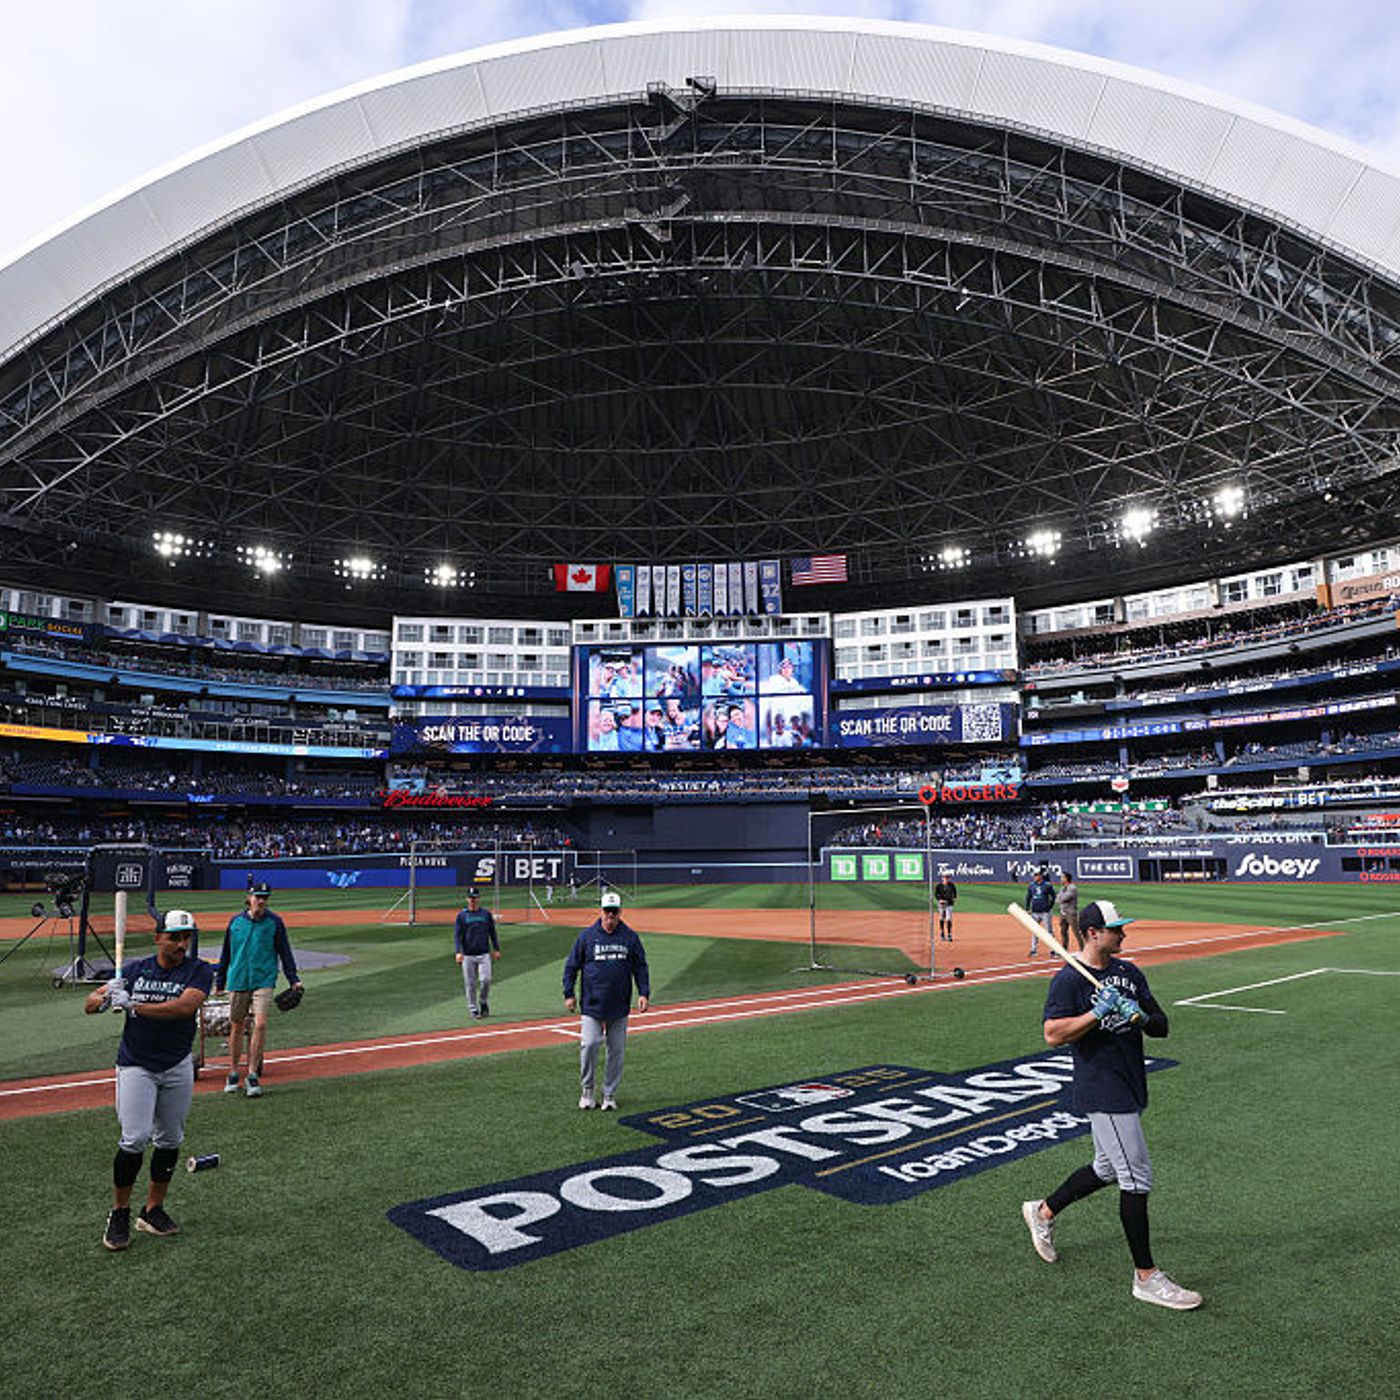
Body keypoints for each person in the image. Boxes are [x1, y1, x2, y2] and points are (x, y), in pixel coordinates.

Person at [1020, 900, 1201, 1311]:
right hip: (1102, 1088)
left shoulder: (1128, 973)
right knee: (1136, 1177)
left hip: (1131, 1082)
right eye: (1115, 929)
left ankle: (1043, 1212)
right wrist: (1095, 1015)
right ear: (1092, 933)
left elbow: (1163, 1026)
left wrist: (1138, 1018)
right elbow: (1053, 1034)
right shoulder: (1069, 981)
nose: (1123, 934)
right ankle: (1147, 1278)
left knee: (1106, 1167)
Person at [86, 908, 212, 1250]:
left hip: (177, 1064)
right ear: (158, 938)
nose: (181, 944)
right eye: (174, 937)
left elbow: (185, 1008)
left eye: (186, 937)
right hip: (136, 1065)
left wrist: (134, 1006)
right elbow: (89, 1003)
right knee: (135, 1139)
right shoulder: (136, 970)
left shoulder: (199, 971)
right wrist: (105, 997)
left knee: (170, 1139)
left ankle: (153, 1209)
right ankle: (120, 1213)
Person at [563, 891, 649, 1111]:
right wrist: (569, 993)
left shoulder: (630, 937)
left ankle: (609, 1094)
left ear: (620, 912)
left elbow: (640, 966)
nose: (610, 916)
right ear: (600, 911)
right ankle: (588, 1090)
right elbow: (572, 966)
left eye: (614, 912)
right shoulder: (586, 937)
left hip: (619, 1006)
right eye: (607, 912)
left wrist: (643, 992)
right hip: (592, 1004)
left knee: (616, 1051)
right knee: (590, 1045)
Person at [216, 882, 301, 1098]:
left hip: (263, 979)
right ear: (249, 898)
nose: (261, 901)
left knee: (260, 1024)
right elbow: (226, 953)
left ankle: (252, 1074)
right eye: (258, 896)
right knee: (236, 1026)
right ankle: (234, 1072)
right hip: (237, 979)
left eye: (265, 897)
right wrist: (220, 982)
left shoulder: (274, 923)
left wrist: (294, 979)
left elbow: (285, 952)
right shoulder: (235, 922)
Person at [454, 885, 501, 1018]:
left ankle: (483, 1001)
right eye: (470, 898)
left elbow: (492, 932)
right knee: (470, 983)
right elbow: (458, 935)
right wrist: (458, 951)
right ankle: (473, 1009)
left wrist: (496, 949)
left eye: (474, 897)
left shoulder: (485, 914)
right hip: (468, 955)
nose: (472, 900)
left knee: (486, 980)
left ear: (478, 898)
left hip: (484, 953)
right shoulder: (462, 916)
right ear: (466, 899)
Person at [1024, 866, 1056, 958]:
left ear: (1041, 875)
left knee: (1049, 931)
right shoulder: (1031, 885)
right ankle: (1033, 950)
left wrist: (1049, 907)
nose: (1035, 877)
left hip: (1045, 912)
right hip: (1035, 911)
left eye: (1037, 875)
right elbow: (1028, 897)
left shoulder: (1047, 885)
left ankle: (1052, 950)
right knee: (1035, 931)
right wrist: (1027, 908)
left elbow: (1053, 897)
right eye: (1034, 875)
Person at [1056, 870, 1081, 950]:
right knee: (1063, 932)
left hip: (1070, 914)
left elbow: (1063, 898)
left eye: (1062, 877)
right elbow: (1057, 899)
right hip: (1062, 913)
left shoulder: (1072, 888)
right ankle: (1064, 949)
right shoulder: (1062, 888)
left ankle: (1083, 948)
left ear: (1066, 878)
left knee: (1076, 932)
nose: (1060, 879)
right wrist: (1060, 898)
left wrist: (1060, 898)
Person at [934, 871, 958, 942]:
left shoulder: (951, 885)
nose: (946, 879)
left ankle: (949, 934)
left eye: (947, 877)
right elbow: (936, 894)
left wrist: (954, 899)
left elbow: (955, 893)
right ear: (942, 878)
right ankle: (942, 933)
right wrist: (939, 900)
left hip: (949, 904)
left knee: (948, 919)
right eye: (945, 877)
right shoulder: (939, 886)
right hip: (941, 905)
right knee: (942, 918)